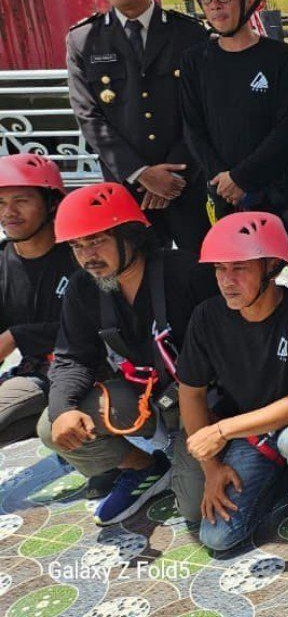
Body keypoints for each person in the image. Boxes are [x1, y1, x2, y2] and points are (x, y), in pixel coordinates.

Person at [37, 183, 218, 526]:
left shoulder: (189, 272)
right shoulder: (83, 288)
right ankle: (146, 468)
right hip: (145, 400)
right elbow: (71, 358)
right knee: (52, 425)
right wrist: (63, 410)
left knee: (195, 510)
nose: (87, 255)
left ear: (130, 235)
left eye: (97, 240)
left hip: (207, 402)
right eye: (77, 245)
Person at [176, 211, 288, 557]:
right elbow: (190, 392)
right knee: (217, 536)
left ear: (271, 267)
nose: (226, 281)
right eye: (220, 269)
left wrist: (220, 432)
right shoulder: (206, 316)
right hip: (252, 432)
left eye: (239, 268)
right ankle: (284, 477)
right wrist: (211, 467)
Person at [179, 0, 288, 308]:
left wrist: (243, 177)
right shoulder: (194, 61)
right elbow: (193, 127)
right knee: (237, 276)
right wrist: (224, 180)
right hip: (223, 191)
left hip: (279, 187)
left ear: (248, 0)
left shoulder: (282, 57)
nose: (215, 5)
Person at [66, 0, 211, 252]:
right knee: (137, 275)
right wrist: (141, 173)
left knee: (200, 272)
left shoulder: (189, 35)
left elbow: (202, 110)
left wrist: (172, 177)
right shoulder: (83, 40)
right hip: (125, 188)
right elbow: (89, 116)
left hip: (184, 183)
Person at [0, 155, 77, 444]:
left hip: (86, 370)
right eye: (1, 204)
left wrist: (17, 336)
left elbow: (94, 325)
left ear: (52, 203)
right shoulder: (2, 260)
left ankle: (137, 465)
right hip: (33, 374)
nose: (9, 213)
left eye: (21, 201)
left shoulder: (81, 255)